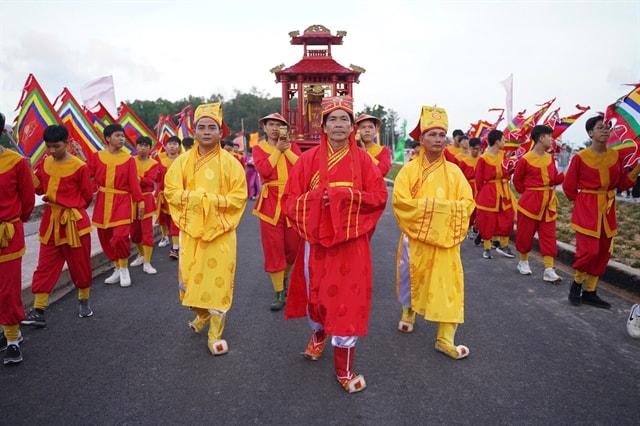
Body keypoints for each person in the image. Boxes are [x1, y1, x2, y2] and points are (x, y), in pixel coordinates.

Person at [282, 96, 387, 393]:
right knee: (315, 298)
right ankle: (318, 336)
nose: (339, 124)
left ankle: (344, 368)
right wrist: (319, 201)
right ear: (324, 126)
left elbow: (379, 198)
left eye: (344, 119)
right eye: (333, 119)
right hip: (316, 244)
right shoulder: (307, 160)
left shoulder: (365, 161)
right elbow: (289, 202)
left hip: (351, 245)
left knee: (347, 304)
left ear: (352, 127)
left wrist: (343, 199)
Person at [164, 102, 247, 356]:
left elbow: (238, 197)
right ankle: (202, 316)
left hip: (220, 233)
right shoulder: (180, 163)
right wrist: (197, 200)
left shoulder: (232, 164)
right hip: (191, 232)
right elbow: (171, 191)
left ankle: (215, 334)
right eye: (202, 127)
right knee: (188, 282)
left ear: (221, 133)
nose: (207, 131)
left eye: (213, 127)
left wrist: (208, 202)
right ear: (195, 131)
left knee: (217, 283)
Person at [393, 105, 475, 361]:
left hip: (445, 242)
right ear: (421, 139)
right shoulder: (409, 171)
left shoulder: (454, 172)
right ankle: (409, 311)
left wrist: (435, 213)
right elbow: (401, 203)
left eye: (442, 134)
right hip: (415, 239)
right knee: (412, 277)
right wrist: (440, 212)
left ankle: (445, 338)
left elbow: (467, 202)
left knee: (449, 286)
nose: (438, 139)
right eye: (432, 134)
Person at [21, 125, 94, 330]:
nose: (52, 150)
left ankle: (83, 301)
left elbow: (87, 196)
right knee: (45, 265)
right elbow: (39, 188)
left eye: (57, 146)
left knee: (80, 265)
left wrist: (71, 208)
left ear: (66, 142)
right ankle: (39, 310)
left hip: (74, 223)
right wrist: (27, 169)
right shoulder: (45, 163)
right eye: (48, 146)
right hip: (51, 222)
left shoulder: (79, 166)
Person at [563, 115, 640, 308]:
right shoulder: (580, 157)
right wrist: (583, 203)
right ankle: (577, 284)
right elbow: (569, 187)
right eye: (600, 128)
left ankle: (590, 291)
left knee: (604, 251)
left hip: (607, 209)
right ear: (590, 133)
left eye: (607, 127)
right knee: (589, 251)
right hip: (587, 208)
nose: (605, 131)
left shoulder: (615, 157)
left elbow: (621, 184)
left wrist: (636, 169)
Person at [252, 113, 302, 310]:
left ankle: (285, 279)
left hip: (291, 201)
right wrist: (277, 151)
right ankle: (279, 292)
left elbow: (301, 167)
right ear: (265, 128)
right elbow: (264, 170)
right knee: (274, 249)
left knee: (293, 248)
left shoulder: (293, 147)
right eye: (271, 124)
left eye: (279, 126)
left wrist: (285, 149)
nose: (275, 128)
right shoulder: (259, 149)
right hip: (270, 203)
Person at [87, 123, 144, 287]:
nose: (121, 139)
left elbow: (134, 183)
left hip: (122, 201)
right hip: (103, 200)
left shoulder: (128, 159)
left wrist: (140, 203)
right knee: (104, 237)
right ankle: (116, 267)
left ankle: (124, 267)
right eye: (118, 135)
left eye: (123, 136)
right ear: (107, 138)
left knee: (120, 236)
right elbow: (87, 176)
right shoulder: (97, 157)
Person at [0, 112, 35, 365]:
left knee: (7, 290)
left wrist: (14, 222)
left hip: (7, 234)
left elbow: (28, 200)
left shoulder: (15, 162)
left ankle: (13, 338)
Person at [512, 125, 564, 282]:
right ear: (541, 138)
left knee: (549, 235)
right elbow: (517, 181)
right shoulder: (525, 160)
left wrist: (566, 175)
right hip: (530, 203)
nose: (552, 139)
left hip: (548, 202)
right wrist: (529, 194)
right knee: (525, 234)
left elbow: (553, 179)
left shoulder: (550, 158)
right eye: (550, 136)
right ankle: (523, 261)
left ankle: (549, 268)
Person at [475, 129, 515, 259]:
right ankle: (487, 247)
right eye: (503, 139)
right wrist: (484, 194)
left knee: (507, 218)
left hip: (504, 191)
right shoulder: (483, 158)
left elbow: (507, 171)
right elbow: (479, 180)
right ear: (497, 141)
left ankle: (504, 245)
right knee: (487, 220)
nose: (504, 142)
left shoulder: (504, 155)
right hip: (489, 192)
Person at [129, 136, 160, 274]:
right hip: (131, 200)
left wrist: (136, 178)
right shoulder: (130, 161)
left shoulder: (153, 163)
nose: (143, 148)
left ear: (150, 148)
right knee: (134, 232)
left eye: (146, 146)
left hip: (146, 199)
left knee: (146, 231)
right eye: (140, 145)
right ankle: (141, 254)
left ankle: (147, 262)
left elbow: (149, 181)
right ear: (136, 147)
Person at [155, 135, 181, 258]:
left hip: (177, 195)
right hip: (163, 195)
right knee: (164, 219)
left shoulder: (182, 160)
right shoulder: (159, 159)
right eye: (169, 144)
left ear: (179, 147)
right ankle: (165, 237)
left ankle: (175, 247)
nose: (172, 146)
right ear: (165, 146)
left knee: (175, 220)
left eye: (175, 144)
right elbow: (157, 178)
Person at [457, 137, 481, 240]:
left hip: (479, 186)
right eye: (475, 148)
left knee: (479, 209)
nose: (477, 151)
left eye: (478, 149)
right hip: (469, 186)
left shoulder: (482, 159)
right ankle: (469, 228)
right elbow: (460, 177)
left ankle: (478, 228)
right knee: (469, 208)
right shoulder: (464, 161)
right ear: (470, 148)